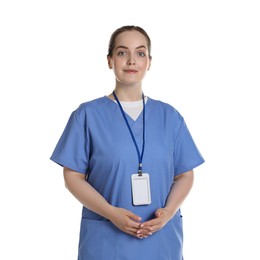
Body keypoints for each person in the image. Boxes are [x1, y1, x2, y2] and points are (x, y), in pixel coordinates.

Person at [50, 25, 205, 260]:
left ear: (149, 62)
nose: (131, 60)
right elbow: (72, 177)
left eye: (140, 53)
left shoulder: (170, 116)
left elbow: (185, 174)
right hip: (105, 242)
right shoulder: (87, 115)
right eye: (122, 53)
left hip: (161, 243)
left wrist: (168, 212)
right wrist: (111, 213)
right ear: (110, 60)